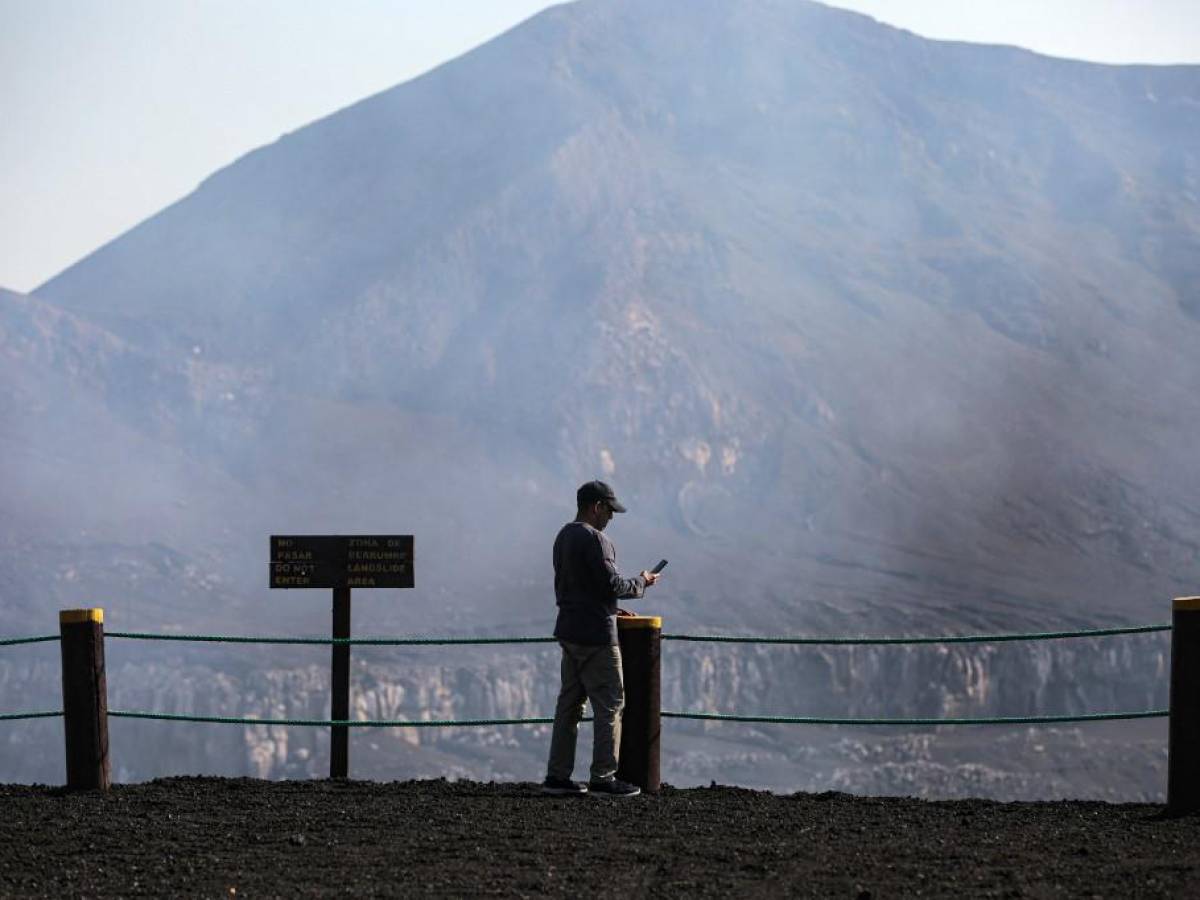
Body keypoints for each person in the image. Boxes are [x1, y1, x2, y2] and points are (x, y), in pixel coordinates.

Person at [542, 480, 660, 797]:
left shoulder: (563, 536)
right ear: (596, 506)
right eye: (609, 510)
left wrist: (612, 609)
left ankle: (557, 776)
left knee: (569, 706)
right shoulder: (597, 540)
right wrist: (642, 582)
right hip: (597, 637)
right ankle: (604, 778)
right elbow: (612, 584)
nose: (611, 517)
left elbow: (579, 587)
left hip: (569, 631)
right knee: (610, 705)